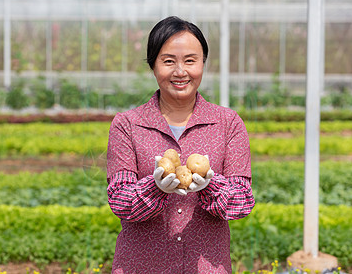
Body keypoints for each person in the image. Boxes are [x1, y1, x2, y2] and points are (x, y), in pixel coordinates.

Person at [106, 16, 255, 274]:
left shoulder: (228, 123)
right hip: (141, 267)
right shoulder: (127, 125)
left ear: (203, 64)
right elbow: (120, 199)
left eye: (190, 60)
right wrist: (155, 188)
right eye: (168, 61)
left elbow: (242, 200)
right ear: (153, 65)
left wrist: (212, 186)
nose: (180, 71)